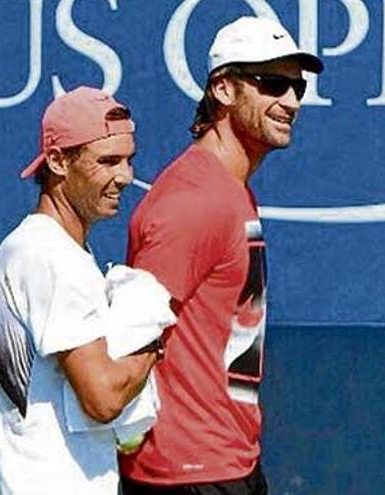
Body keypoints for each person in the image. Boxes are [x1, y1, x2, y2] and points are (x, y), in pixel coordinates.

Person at [119, 16, 324, 494]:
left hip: (228, 464)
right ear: (223, 89)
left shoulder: (230, 190)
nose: (291, 101)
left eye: (297, 87)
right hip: (184, 474)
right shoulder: (193, 201)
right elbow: (132, 338)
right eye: (272, 83)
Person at [0, 86, 171, 494]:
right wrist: (150, 345)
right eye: (108, 161)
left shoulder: (53, 251)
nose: (125, 176)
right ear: (57, 161)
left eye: (129, 160)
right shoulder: (48, 256)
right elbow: (102, 398)